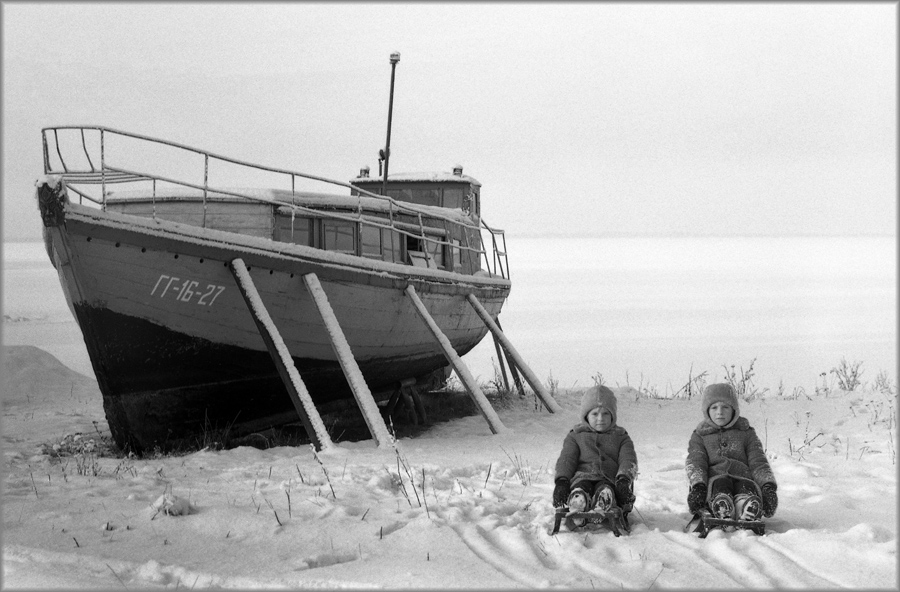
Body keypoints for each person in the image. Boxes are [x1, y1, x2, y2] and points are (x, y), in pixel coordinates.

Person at [685, 383, 778, 521]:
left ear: (734, 410)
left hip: (744, 477)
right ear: (707, 411)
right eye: (714, 407)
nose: (720, 412)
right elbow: (696, 462)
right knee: (721, 484)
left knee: (747, 487)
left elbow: (758, 462)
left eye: (725, 407)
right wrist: (698, 486)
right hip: (715, 480)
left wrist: (767, 486)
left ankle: (745, 507)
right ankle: (722, 506)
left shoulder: (746, 433)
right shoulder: (701, 436)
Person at [552, 385, 638, 522]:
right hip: (582, 477)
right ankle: (578, 501)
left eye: (606, 413)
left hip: (609, 479)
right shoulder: (576, 436)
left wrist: (623, 479)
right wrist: (562, 481)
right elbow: (567, 460)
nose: (600, 418)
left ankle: (603, 501)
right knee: (581, 486)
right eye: (595, 414)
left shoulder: (621, 437)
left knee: (605, 488)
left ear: (613, 415)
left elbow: (628, 460)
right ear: (586, 416)